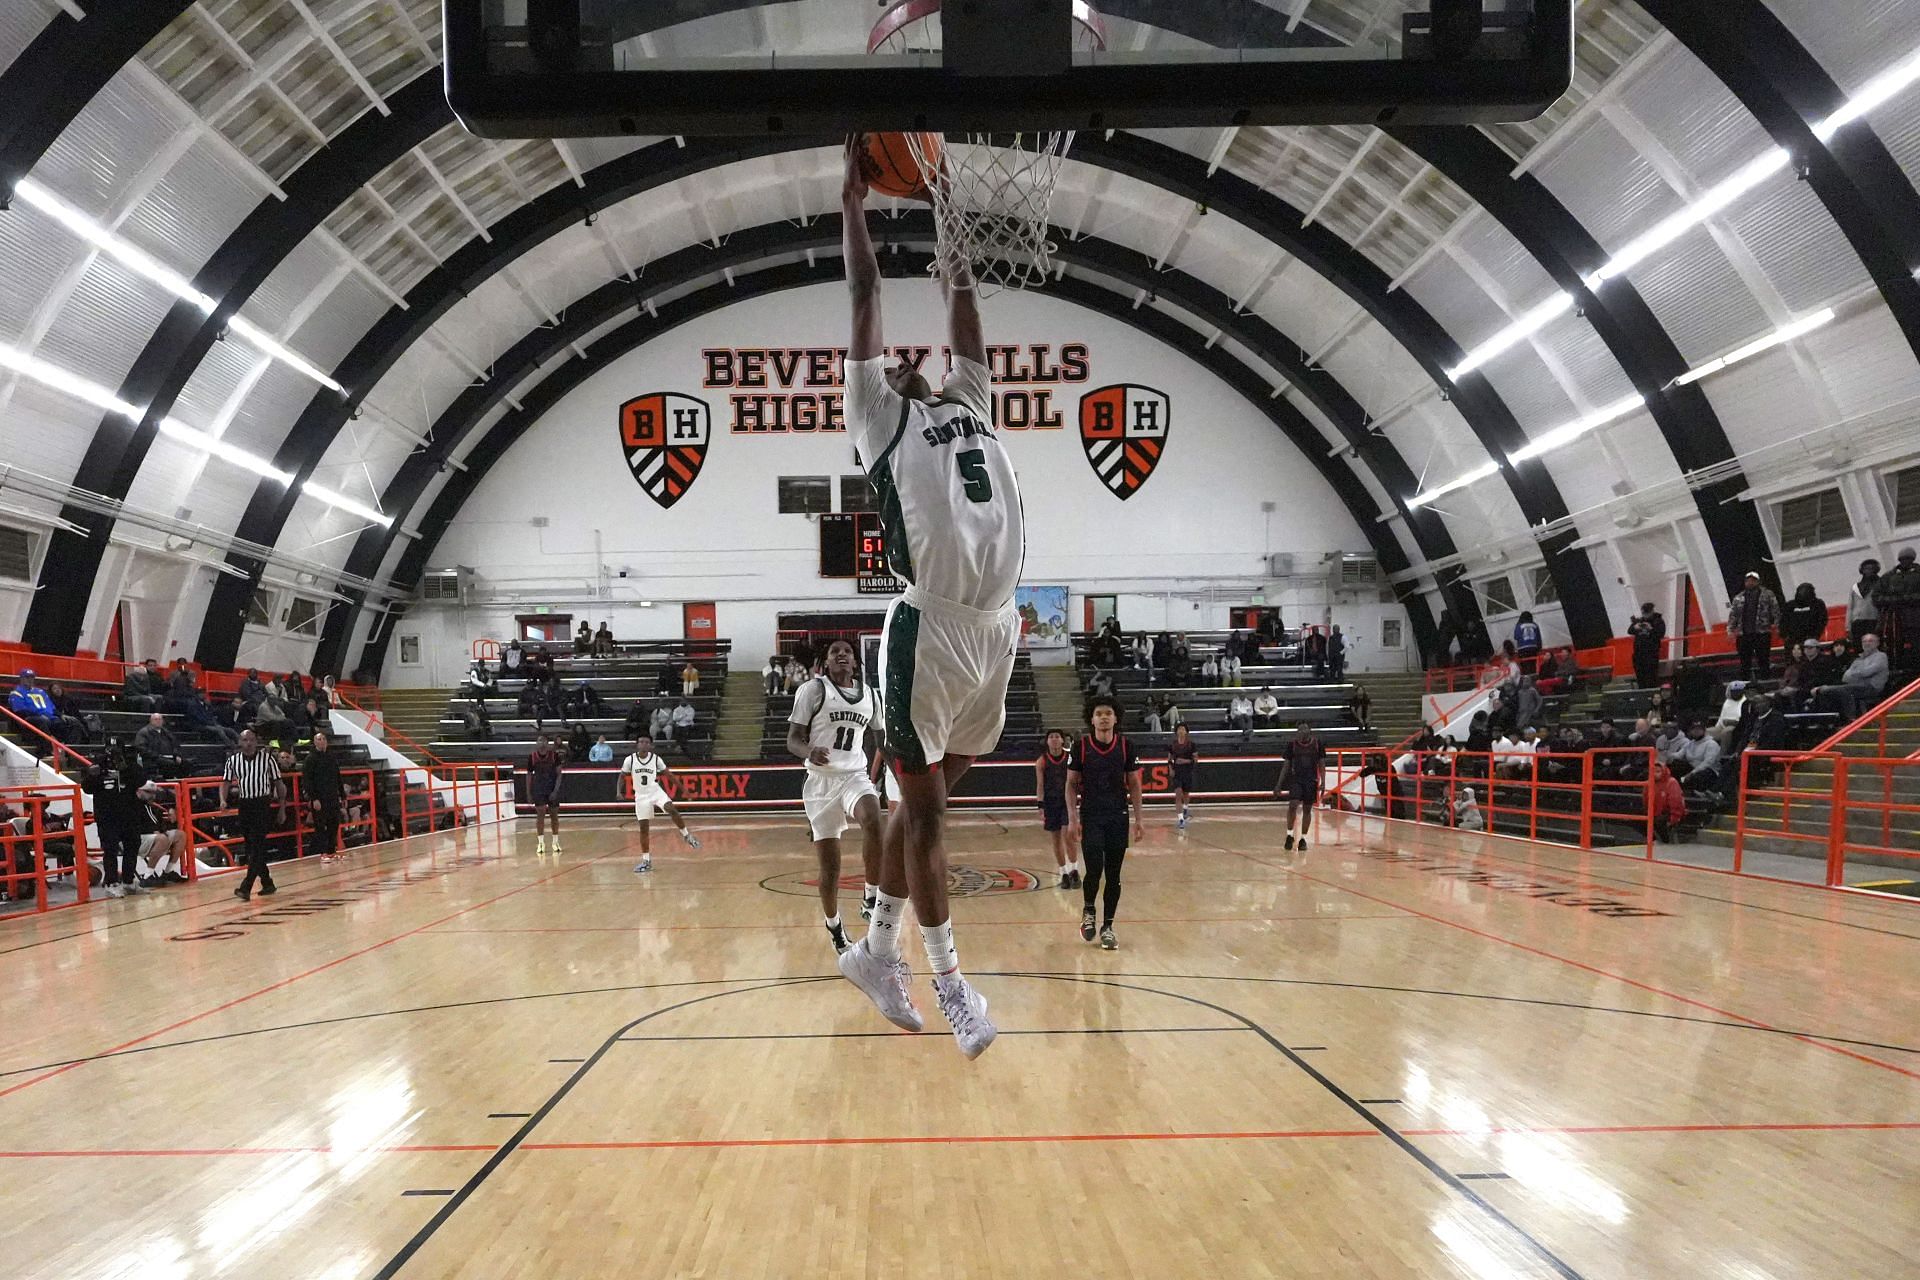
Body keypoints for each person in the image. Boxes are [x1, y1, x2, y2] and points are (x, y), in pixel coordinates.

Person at [833, 140, 1018, 1058]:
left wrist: (946, 200)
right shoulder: (877, 414)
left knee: (931, 794)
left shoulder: (972, 398)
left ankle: (872, 948)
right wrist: (854, 203)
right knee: (931, 813)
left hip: (997, 632)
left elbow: (962, 297)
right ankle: (949, 983)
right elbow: (868, 298)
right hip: (927, 632)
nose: (907, 360)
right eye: (895, 362)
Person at [787, 640, 882, 952]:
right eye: (834, 652)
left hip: (854, 775)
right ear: (825, 662)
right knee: (830, 870)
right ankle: (834, 927)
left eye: (847, 652)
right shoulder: (813, 691)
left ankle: (870, 895)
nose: (842, 655)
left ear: (855, 662)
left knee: (873, 819)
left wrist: (897, 773)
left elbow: (882, 739)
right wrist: (809, 751)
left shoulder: (870, 695)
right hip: (820, 783)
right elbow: (793, 739)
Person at [1068, 695, 1144, 951]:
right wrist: (1072, 819)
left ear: (1115, 718)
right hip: (1091, 815)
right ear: (1091, 719)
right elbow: (1070, 784)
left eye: (1108, 713)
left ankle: (1108, 926)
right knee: (1094, 868)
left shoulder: (1126, 746)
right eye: (1098, 713)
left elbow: (1134, 783)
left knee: (1113, 874)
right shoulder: (1080, 747)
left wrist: (1139, 819)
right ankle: (1089, 910)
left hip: (1118, 816)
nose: (1103, 717)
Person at [622, 733, 700, 875]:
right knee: (644, 829)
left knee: (671, 808)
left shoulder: (656, 759)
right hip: (641, 796)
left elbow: (669, 775)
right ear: (637, 744)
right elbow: (622, 776)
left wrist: (684, 790)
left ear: (651, 746)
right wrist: (619, 792)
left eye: (646, 742)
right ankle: (646, 861)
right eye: (641, 742)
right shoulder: (630, 760)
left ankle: (686, 835)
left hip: (655, 791)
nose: (644, 744)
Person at [221, 729, 285, 902]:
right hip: (245, 804)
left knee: (257, 845)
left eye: (251, 740)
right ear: (240, 742)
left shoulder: (267, 759)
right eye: (244, 740)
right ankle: (267, 882)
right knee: (251, 848)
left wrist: (282, 807)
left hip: (262, 804)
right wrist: (223, 800)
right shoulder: (233, 761)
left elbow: (279, 784)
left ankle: (246, 886)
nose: (248, 743)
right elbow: (225, 782)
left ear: (256, 741)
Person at [83, 738, 152, 898]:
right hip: (107, 815)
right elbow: (86, 788)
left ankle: (128, 881)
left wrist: (126, 767)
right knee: (110, 849)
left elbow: (141, 780)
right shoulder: (99, 763)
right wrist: (93, 775)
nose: (113, 754)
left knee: (132, 846)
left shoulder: (129, 761)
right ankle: (111, 882)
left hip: (129, 813)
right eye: (110, 749)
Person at [1273, 721, 1325, 851]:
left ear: (1309, 731)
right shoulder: (1292, 745)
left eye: (1304, 729)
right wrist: (1279, 784)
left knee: (1307, 809)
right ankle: (1289, 834)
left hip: (1311, 781)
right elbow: (1286, 765)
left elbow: (1322, 764)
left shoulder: (1318, 744)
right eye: (1299, 730)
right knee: (1293, 805)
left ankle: (1303, 838)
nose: (1301, 732)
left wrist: (1323, 781)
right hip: (1296, 779)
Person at [1813, 632, 1890, 721]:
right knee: (1826, 691)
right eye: (1864, 641)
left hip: (1872, 687)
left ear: (1877, 643)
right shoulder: (1859, 658)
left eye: (1870, 641)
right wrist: (1858, 673)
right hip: (1855, 686)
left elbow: (1867, 672)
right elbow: (1846, 677)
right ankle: (1827, 720)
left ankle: (1851, 719)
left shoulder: (1881, 656)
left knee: (1841, 690)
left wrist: (1855, 673)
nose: (1867, 643)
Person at [1035, 729, 1077, 888]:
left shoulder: (1070, 758)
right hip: (1051, 803)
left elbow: (1076, 780)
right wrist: (1040, 804)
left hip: (1067, 801)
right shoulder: (1042, 761)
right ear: (1047, 742)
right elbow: (1040, 785)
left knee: (1068, 836)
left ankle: (1074, 870)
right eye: (1051, 737)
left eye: (1057, 737)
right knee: (1056, 839)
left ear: (1062, 741)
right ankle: (1063, 873)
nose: (1054, 739)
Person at [1726, 570, 1782, 682]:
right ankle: (1745, 683)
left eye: (1753, 580)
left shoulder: (1768, 594)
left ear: (1758, 581)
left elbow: (1776, 610)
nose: (1750, 582)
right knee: (1744, 661)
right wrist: (1730, 631)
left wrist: (1777, 626)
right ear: (1745, 582)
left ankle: (1766, 682)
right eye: (1748, 580)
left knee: (1763, 659)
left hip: (1762, 632)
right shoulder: (1738, 598)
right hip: (1744, 634)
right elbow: (1733, 615)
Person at [1875, 547, 1920, 676]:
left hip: (1915, 619)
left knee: (1916, 646)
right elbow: (1876, 596)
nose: (1905, 561)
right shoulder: (1889, 576)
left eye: (1908, 559)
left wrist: (1907, 599)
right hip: (1893, 620)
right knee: (1894, 647)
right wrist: (1893, 600)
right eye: (1903, 559)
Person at [302, 728, 345, 862]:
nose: (322, 742)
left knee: (334, 823)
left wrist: (342, 795)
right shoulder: (310, 759)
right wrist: (314, 798)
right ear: (315, 743)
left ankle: (332, 851)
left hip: (332, 796)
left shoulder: (331, 757)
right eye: (319, 739)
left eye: (324, 739)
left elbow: (338, 777)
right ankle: (323, 852)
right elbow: (307, 780)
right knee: (320, 825)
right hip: (319, 798)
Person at [527, 733, 564, 854]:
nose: (541, 743)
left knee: (554, 816)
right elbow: (528, 775)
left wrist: (555, 790)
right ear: (537, 743)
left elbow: (559, 774)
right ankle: (541, 843)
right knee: (540, 815)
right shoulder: (532, 757)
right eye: (539, 740)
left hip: (551, 788)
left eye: (544, 740)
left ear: (548, 743)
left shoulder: (554, 756)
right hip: (538, 789)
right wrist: (529, 792)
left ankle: (555, 841)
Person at [6, 670, 63, 741]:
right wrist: (39, 715)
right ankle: (46, 748)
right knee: (42, 721)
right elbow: (20, 710)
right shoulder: (16, 693)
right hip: (29, 718)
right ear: (21, 679)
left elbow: (51, 707)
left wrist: (60, 715)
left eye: (32, 677)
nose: (30, 680)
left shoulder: (41, 692)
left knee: (69, 723)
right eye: (27, 677)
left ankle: (67, 747)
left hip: (47, 717)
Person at [1668, 722, 1722, 792]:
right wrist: (1665, 755)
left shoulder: (1711, 744)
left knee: (1700, 775)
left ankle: (1701, 793)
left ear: (1704, 731)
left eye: (1699, 729)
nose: (1696, 731)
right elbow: (1678, 755)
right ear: (1690, 731)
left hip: (1709, 772)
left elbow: (1708, 763)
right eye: (1694, 729)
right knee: (1676, 764)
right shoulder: (1689, 744)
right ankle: (1675, 789)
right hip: (1692, 770)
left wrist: (1692, 773)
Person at [1627, 603, 1666, 690]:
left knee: (1651, 677)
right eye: (1644, 613)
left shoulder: (1658, 621)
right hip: (1639, 654)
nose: (1645, 615)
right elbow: (1629, 631)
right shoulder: (1640, 621)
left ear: (1652, 611)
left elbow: (1660, 634)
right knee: (1641, 678)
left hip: (1651, 654)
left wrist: (1650, 629)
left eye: (1647, 613)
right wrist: (1635, 627)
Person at [1780, 582, 1828, 653]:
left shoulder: (1818, 604)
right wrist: (1785, 635)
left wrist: (1815, 635)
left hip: (1811, 638)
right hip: (1792, 640)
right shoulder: (1790, 605)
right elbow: (1783, 621)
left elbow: (1822, 620)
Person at [1168, 722, 1199, 830]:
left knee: (1186, 793)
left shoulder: (1191, 745)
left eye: (1183, 729)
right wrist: (1170, 768)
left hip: (1187, 772)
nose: (1181, 731)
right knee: (1178, 794)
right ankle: (1181, 819)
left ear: (1186, 732)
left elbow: (1195, 760)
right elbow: (1169, 759)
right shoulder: (1172, 745)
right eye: (1179, 729)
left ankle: (1185, 808)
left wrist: (1185, 761)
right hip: (1177, 773)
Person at [1848, 559, 1881, 648]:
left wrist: (1880, 622)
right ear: (1862, 570)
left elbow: (1882, 607)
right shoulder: (1855, 587)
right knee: (1858, 648)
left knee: (1874, 648)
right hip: (1857, 623)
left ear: (1876, 570)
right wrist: (1848, 627)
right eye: (1866, 568)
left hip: (1873, 621)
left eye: (1871, 568)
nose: (1868, 571)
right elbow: (1850, 607)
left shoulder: (1880, 584)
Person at [1651, 763, 1687, 843]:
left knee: (1659, 821)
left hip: (1671, 814)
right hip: (1656, 813)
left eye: (1658, 771)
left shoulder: (1671, 783)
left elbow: (1676, 802)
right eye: (1653, 771)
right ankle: (1656, 840)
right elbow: (1646, 800)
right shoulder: (1649, 783)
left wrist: (1674, 818)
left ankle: (1666, 841)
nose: (1655, 774)